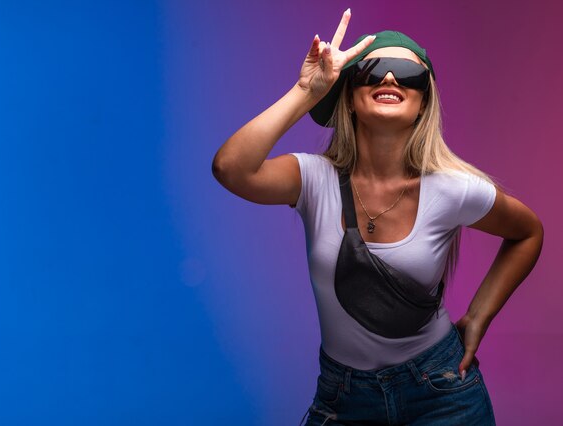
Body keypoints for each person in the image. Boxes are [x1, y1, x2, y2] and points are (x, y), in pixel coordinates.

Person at [211, 8, 543, 426]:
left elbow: (528, 232)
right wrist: (307, 91)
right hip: (343, 398)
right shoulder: (314, 179)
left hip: (443, 392)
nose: (390, 79)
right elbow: (230, 168)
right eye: (375, 68)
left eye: (410, 75)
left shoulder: (452, 188)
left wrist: (478, 317)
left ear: (424, 103)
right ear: (349, 95)